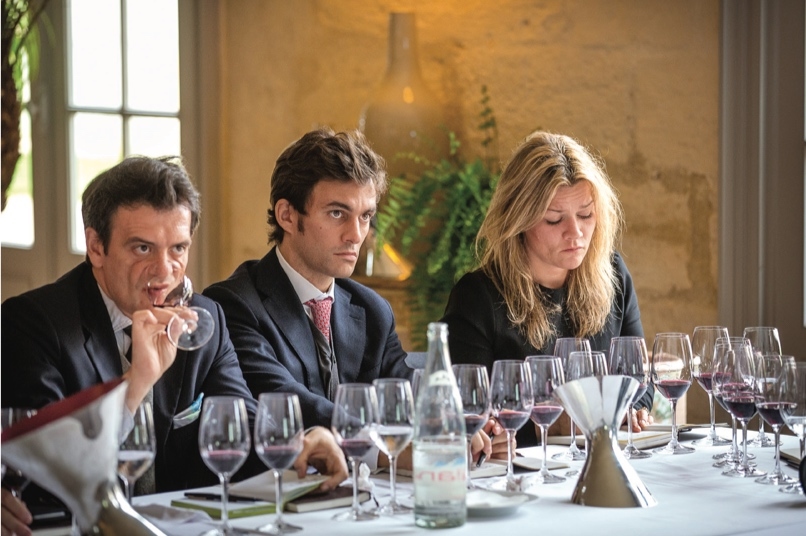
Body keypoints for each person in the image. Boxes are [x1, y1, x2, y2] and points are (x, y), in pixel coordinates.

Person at [1, 156, 347, 536]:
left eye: (178, 249)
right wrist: (136, 383)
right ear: (96, 246)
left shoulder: (203, 319)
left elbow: (241, 431)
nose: (164, 271)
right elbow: (44, 473)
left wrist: (296, 445)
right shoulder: (33, 323)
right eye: (143, 249)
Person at [203, 128, 506, 468]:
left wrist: (453, 422)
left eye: (365, 216)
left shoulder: (372, 310)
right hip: (279, 501)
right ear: (287, 215)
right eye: (337, 213)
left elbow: (402, 392)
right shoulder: (233, 304)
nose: (356, 234)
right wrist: (383, 448)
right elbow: (288, 404)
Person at [441, 131, 654, 447]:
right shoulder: (477, 297)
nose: (576, 232)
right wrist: (547, 429)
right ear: (519, 220)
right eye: (555, 220)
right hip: (521, 476)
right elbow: (466, 417)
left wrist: (633, 410)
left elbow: (639, 380)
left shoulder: (613, 276)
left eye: (586, 215)